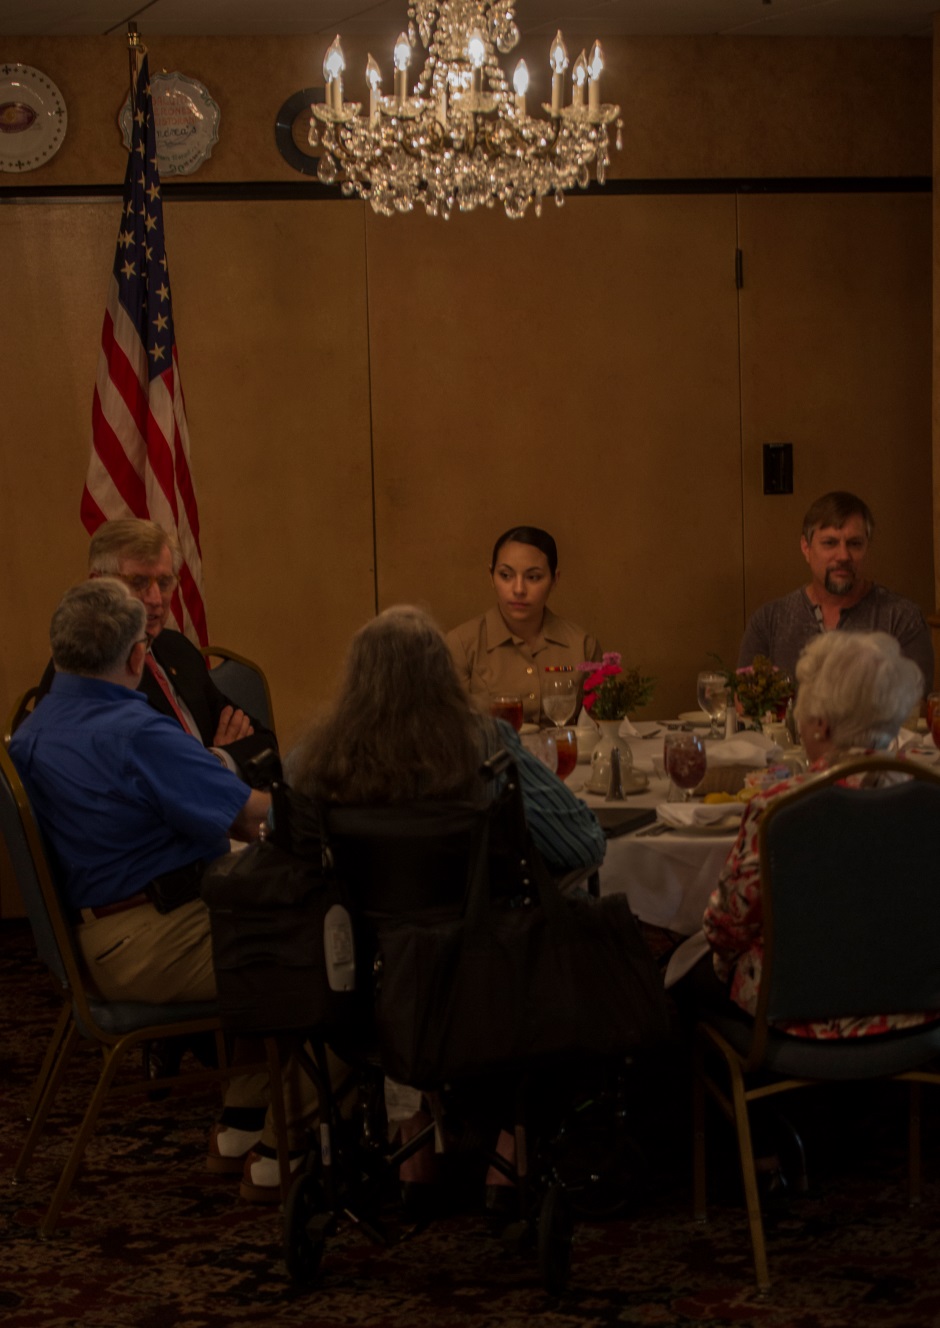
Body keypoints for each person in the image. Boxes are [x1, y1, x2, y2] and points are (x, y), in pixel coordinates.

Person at [289, 604, 607, 1214]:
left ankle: (413, 1150)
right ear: (445, 677)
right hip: (484, 972)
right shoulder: (485, 746)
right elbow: (583, 844)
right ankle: (509, 1158)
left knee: (398, 950)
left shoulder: (313, 762)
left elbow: (286, 850)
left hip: (363, 985)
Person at [10, 579, 311, 1203]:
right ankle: (290, 1150)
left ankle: (242, 1124)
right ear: (138, 657)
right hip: (151, 940)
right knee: (332, 953)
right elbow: (256, 818)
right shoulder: (133, 732)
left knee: (269, 919)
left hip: (96, 938)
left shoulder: (36, 725)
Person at [693, 630, 932, 1040]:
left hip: (797, 1018)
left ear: (820, 725)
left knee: (678, 980)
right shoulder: (932, 797)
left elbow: (726, 929)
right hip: (921, 1014)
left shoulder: (781, 808)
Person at [34, 519, 277, 785]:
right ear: (99, 585)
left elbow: (263, 743)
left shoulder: (176, 649)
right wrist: (213, 764)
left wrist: (219, 761)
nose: (155, 599)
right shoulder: (82, 672)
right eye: (138, 582)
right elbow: (123, 787)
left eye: (164, 582)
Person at [737, 491, 933, 697]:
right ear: (806, 547)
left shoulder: (902, 618)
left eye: (854, 544)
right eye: (830, 543)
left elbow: (914, 705)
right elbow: (745, 702)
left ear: (868, 548)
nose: (843, 556)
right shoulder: (769, 621)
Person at [446, 525, 602, 726]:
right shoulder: (461, 645)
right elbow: (449, 728)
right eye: (506, 575)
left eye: (533, 577)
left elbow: (601, 727)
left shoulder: (582, 645)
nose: (518, 589)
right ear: (491, 576)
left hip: (563, 756)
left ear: (554, 580)